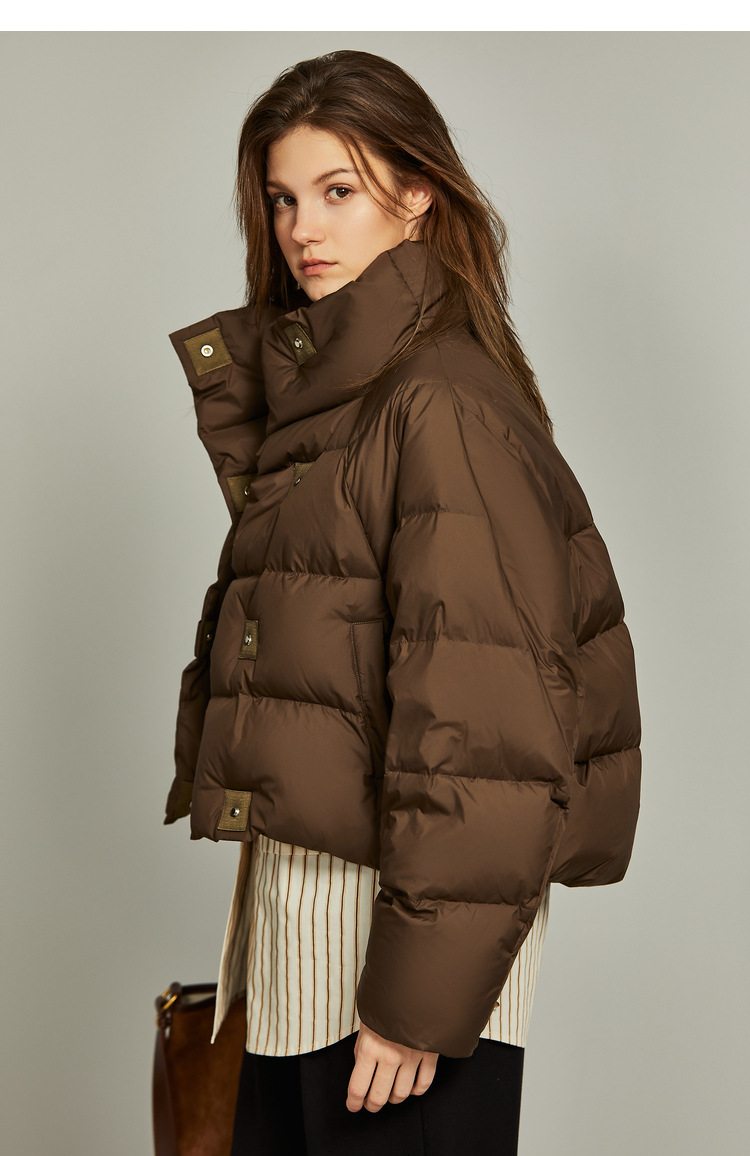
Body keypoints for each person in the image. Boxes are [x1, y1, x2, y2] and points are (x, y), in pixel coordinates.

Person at [163, 49, 642, 1155]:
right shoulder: (343, 404)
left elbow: (490, 723)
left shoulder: (440, 402)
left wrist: (420, 1000)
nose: (303, 230)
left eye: (339, 190)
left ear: (418, 191)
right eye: (284, 199)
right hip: (304, 949)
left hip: (389, 978)